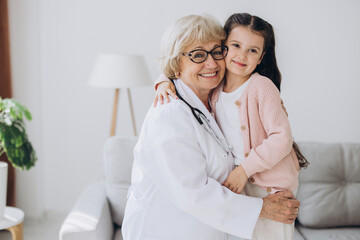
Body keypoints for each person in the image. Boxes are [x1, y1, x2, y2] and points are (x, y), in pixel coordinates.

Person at [122, 14, 300, 240]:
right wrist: (262, 208)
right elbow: (193, 194)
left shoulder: (213, 99)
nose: (211, 63)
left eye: (217, 52)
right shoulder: (169, 115)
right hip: (165, 231)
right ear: (176, 63)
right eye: (198, 55)